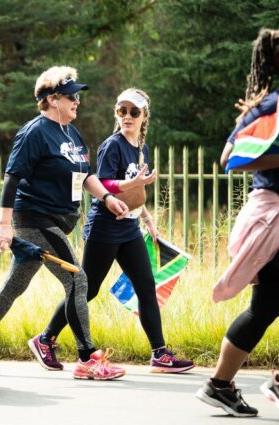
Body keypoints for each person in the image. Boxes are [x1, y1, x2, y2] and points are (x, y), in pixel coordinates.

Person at [0, 66, 129, 380]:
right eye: (71, 96)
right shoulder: (34, 132)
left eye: (77, 96)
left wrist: (106, 197)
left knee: (14, 286)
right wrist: (4, 225)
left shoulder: (70, 132)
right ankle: (88, 358)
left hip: (55, 220)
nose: (77, 101)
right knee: (77, 279)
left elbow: (85, 175)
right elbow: (12, 178)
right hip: (35, 219)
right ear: (51, 99)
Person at [32, 88, 195, 374]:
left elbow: (133, 191)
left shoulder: (141, 147)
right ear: (116, 114)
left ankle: (159, 354)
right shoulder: (112, 145)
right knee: (87, 289)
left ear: (144, 116)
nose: (127, 116)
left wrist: (146, 216)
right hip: (105, 228)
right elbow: (103, 184)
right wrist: (134, 185)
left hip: (129, 228)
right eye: (122, 111)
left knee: (146, 286)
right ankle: (45, 339)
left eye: (134, 112)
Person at [195, 28, 279, 417]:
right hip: (272, 216)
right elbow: (230, 157)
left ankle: (224, 385)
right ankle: (219, 385)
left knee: (267, 306)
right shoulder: (270, 106)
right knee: (264, 307)